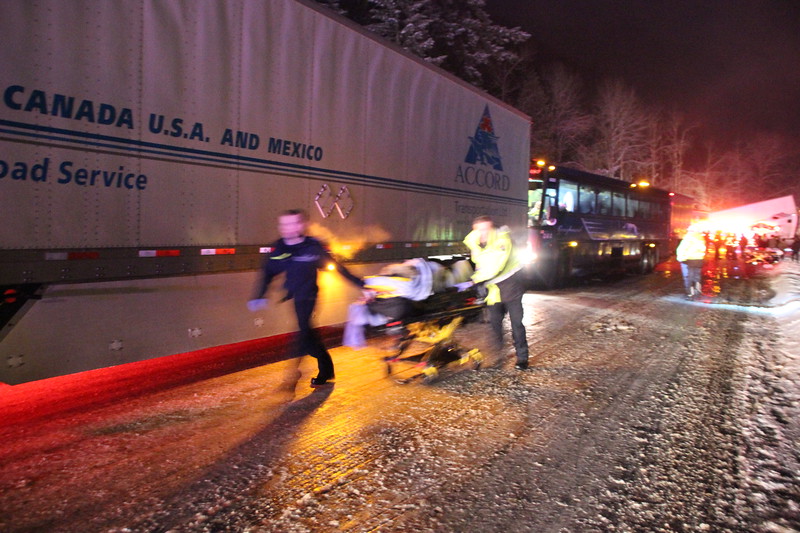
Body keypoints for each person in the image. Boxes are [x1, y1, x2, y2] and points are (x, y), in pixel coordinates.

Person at [248, 209, 367, 386]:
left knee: (303, 330)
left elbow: (337, 267)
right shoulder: (280, 248)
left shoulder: (312, 247)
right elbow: (268, 271)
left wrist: (361, 284)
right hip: (295, 295)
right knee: (310, 335)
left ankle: (292, 373)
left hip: (309, 296)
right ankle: (326, 370)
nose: (287, 228)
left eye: (292, 223)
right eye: (284, 224)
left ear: (301, 225)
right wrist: (259, 294)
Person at [457, 215, 529, 370]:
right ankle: (498, 357)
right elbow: (480, 264)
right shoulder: (475, 242)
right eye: (479, 229)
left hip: (511, 286)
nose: (482, 233)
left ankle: (522, 358)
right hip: (493, 290)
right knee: (495, 325)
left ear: (492, 228)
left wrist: (474, 281)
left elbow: (496, 266)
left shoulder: (503, 241)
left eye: (486, 229)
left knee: (516, 324)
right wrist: (476, 277)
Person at [675, 228, 707, 299]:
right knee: (697, 277)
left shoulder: (687, 239)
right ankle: (698, 291)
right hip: (699, 260)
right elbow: (703, 249)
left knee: (688, 277)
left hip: (688, 261)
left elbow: (681, 250)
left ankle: (690, 294)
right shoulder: (700, 238)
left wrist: (680, 259)